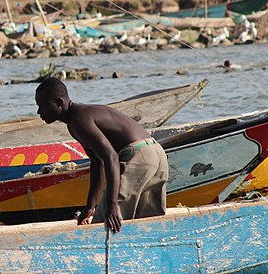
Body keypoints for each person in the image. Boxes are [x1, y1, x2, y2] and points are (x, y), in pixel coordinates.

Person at [34, 78, 168, 233]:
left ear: (59, 102)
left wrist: (112, 205)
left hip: (138, 156)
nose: (39, 112)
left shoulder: (79, 119)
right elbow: (98, 163)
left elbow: (111, 157)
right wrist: (90, 206)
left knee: (107, 222)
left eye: (42, 106)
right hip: (156, 152)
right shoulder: (77, 120)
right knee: (147, 224)